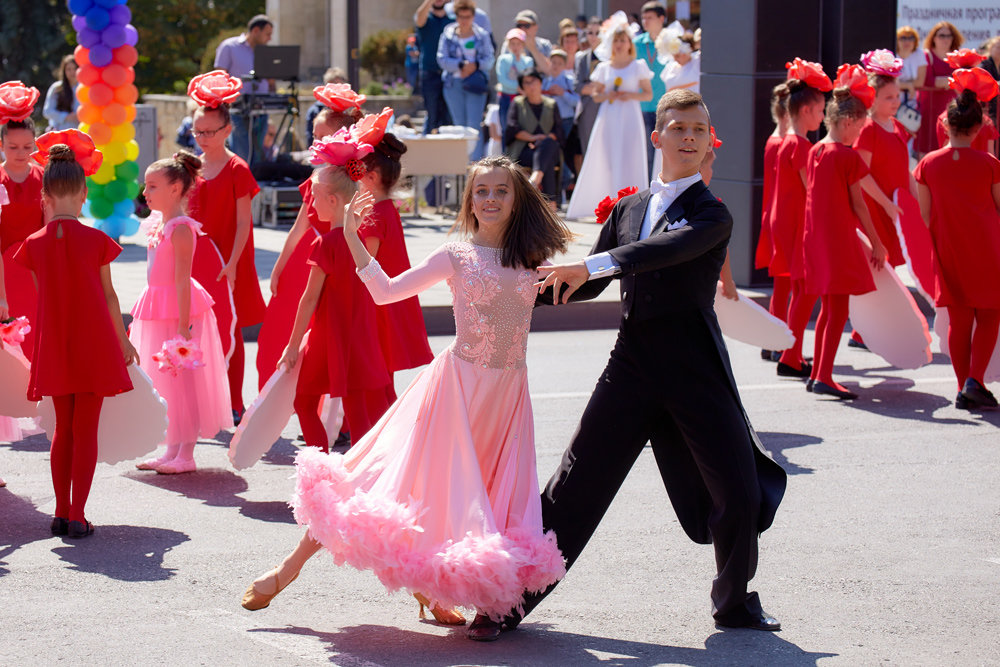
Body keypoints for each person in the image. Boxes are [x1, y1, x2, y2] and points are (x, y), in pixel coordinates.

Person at [240, 156, 572, 640]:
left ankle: (481, 603)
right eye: (481, 191)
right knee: (384, 479)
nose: (491, 199)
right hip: (456, 391)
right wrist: (352, 236)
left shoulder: (532, 261)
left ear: (517, 198)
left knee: (487, 499)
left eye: (502, 190)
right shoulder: (455, 256)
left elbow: (587, 279)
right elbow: (386, 292)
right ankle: (287, 568)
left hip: (507, 396)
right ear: (470, 200)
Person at [496, 89, 787, 638]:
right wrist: (519, 291)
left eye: (699, 130)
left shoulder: (712, 213)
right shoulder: (629, 210)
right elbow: (595, 281)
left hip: (695, 369)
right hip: (630, 367)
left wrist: (590, 263)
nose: (689, 138)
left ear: (708, 143)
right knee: (572, 488)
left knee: (741, 491)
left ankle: (734, 601)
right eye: (678, 128)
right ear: (657, 137)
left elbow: (661, 252)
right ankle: (508, 602)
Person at [14, 131, 138, 538]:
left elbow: (43, 298)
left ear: (44, 195)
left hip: (55, 345)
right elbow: (108, 294)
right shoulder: (98, 240)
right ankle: (78, 515)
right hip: (94, 344)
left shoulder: (33, 245)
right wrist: (123, 340)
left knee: (61, 430)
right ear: (84, 193)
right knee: (86, 430)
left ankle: (60, 510)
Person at [276, 132, 391, 454]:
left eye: (313, 198)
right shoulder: (360, 237)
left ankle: (320, 465)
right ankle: (365, 471)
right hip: (361, 334)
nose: (310, 205)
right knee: (359, 410)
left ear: (333, 201)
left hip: (330, 337)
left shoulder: (326, 243)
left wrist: (293, 344)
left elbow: (309, 298)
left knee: (304, 400)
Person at [131, 152, 233, 474]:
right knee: (165, 383)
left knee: (183, 383)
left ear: (176, 189)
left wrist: (183, 325)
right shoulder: (156, 224)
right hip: (158, 305)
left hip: (178, 310)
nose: (145, 193)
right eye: (145, 186)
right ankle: (171, 449)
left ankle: (186, 455)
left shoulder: (181, 229)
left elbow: (182, 280)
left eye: (152, 186)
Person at [801, 70, 893, 400]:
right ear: (850, 121)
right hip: (838, 240)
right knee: (837, 310)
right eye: (861, 126)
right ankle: (824, 375)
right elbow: (860, 205)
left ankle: (818, 373)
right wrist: (878, 243)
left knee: (829, 308)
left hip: (816, 238)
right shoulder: (846, 156)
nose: (860, 133)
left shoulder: (816, 152)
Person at [915, 72, 1000, 410]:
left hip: (949, 248)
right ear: (980, 128)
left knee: (960, 318)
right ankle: (974, 382)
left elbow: (925, 214)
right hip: (988, 247)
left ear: (946, 126)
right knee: (991, 313)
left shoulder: (927, 164)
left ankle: (964, 385)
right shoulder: (990, 163)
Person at [186, 71, 266, 425]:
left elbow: (243, 223)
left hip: (228, 262)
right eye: (198, 131)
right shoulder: (189, 168)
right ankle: (199, 401)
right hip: (196, 261)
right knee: (194, 331)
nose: (203, 138)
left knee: (230, 331)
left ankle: (234, 402)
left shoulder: (237, 168)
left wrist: (232, 263)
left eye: (210, 132)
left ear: (228, 131)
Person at [355, 116, 435, 399]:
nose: (355, 177)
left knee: (375, 368)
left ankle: (375, 422)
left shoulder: (375, 215)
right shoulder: (387, 208)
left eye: (357, 170)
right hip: (387, 298)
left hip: (376, 302)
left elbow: (367, 261)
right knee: (381, 367)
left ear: (372, 177)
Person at [770, 60, 830, 379]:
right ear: (806, 111)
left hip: (788, 224)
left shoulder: (787, 141)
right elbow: (814, 191)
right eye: (821, 110)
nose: (823, 117)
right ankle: (791, 357)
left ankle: (789, 354)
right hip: (799, 227)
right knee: (805, 291)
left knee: (800, 291)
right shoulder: (802, 145)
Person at [566, 12, 653, 219]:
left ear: (629, 43)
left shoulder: (638, 65)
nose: (620, 45)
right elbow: (595, 95)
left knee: (630, 155)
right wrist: (608, 94)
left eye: (623, 41)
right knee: (607, 156)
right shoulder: (604, 67)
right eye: (617, 41)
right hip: (609, 116)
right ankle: (606, 204)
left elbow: (647, 93)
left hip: (630, 116)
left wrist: (629, 95)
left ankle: (632, 204)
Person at [855, 51, 913, 269]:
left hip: (894, 207)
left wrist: (917, 204)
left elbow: (904, 170)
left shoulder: (897, 126)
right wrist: (886, 204)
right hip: (875, 209)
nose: (896, 102)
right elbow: (862, 174)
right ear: (873, 97)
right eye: (889, 97)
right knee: (876, 268)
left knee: (893, 268)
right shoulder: (868, 129)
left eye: (897, 96)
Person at [1, 90, 43, 361]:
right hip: (2, 273)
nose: (21, 153)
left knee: (36, 337)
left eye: (28, 147)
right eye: (13, 147)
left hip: (36, 271)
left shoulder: (43, 176)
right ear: (2, 144)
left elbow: (51, 232)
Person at [756, 82, 791, 362]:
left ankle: (773, 340)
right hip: (786, 216)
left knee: (782, 284)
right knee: (785, 284)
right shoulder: (785, 143)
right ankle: (775, 340)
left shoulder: (774, 139)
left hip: (773, 214)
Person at [214, 14, 274, 162]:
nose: (269, 38)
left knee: (258, 154)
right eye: (267, 34)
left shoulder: (266, 52)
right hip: (237, 109)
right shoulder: (229, 47)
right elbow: (219, 77)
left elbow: (271, 82)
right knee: (241, 151)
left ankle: (255, 184)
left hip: (262, 108)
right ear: (255, 31)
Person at [505, 69, 566, 205]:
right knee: (547, 159)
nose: (531, 85)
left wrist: (543, 140)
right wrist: (533, 138)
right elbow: (512, 128)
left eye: (534, 81)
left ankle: (535, 179)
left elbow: (558, 131)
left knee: (548, 145)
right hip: (524, 150)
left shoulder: (551, 104)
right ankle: (551, 203)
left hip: (547, 147)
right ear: (522, 87)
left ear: (540, 83)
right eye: (527, 83)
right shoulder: (518, 103)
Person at [436, 0, 495, 131]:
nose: (464, 20)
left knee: (474, 126)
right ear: (456, 16)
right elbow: (441, 59)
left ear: (473, 16)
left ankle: (478, 153)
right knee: (459, 125)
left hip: (475, 83)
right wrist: (460, 65)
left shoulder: (482, 35)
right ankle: (462, 153)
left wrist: (476, 65)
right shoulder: (447, 35)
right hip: (453, 84)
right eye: (461, 17)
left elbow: (490, 59)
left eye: (467, 17)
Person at [915, 21, 962, 157]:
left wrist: (943, 81)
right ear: (933, 37)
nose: (945, 39)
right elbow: (928, 81)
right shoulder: (926, 56)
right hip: (928, 109)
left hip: (950, 110)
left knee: (946, 146)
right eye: (941, 35)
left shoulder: (957, 58)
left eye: (949, 35)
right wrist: (952, 80)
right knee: (926, 147)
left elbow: (962, 81)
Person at [634, 1, 668, 175]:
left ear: (662, 18)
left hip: (666, 107)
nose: (645, 21)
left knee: (665, 153)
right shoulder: (636, 43)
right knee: (646, 153)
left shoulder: (672, 41)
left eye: (650, 17)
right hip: (642, 106)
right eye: (643, 18)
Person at [415, 0, 453, 135]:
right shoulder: (426, 18)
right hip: (429, 73)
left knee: (449, 117)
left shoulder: (452, 20)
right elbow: (419, 18)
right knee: (432, 115)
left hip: (449, 74)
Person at [495, 27, 534, 143]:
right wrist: (518, 87)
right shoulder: (503, 59)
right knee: (506, 130)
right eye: (512, 43)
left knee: (523, 129)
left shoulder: (527, 61)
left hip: (522, 99)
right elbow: (502, 80)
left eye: (518, 44)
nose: (515, 47)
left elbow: (528, 78)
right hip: (506, 98)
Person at [573, 17, 604, 162]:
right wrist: (597, 88)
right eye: (590, 32)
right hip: (587, 109)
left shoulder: (611, 57)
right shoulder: (581, 57)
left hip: (606, 106)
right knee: (589, 153)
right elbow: (577, 86)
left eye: (598, 32)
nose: (594, 36)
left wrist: (592, 88)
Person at [305, 68, 350, 146]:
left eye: (340, 85)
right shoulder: (314, 110)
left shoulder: (349, 108)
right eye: (334, 84)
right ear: (326, 86)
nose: (337, 89)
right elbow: (310, 138)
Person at [42, 55, 79, 132]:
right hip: (59, 132)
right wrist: (66, 116)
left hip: (79, 132)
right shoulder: (57, 88)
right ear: (64, 71)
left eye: (75, 68)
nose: (72, 72)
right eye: (69, 69)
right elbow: (47, 111)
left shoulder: (84, 88)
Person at [511, 9, 553, 75]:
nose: (522, 29)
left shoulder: (545, 45)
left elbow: (550, 71)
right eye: (519, 26)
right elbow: (509, 70)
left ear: (535, 27)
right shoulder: (509, 45)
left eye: (526, 26)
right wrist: (537, 69)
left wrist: (533, 49)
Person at [896, 26, 923, 109]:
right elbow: (888, 82)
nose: (907, 41)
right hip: (893, 99)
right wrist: (908, 85)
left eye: (911, 38)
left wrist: (902, 85)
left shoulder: (919, 54)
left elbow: (920, 82)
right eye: (903, 38)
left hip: (912, 103)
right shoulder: (891, 55)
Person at [982, 36, 1000, 136]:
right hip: (989, 108)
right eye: (998, 47)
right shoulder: (985, 64)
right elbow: (983, 81)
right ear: (990, 48)